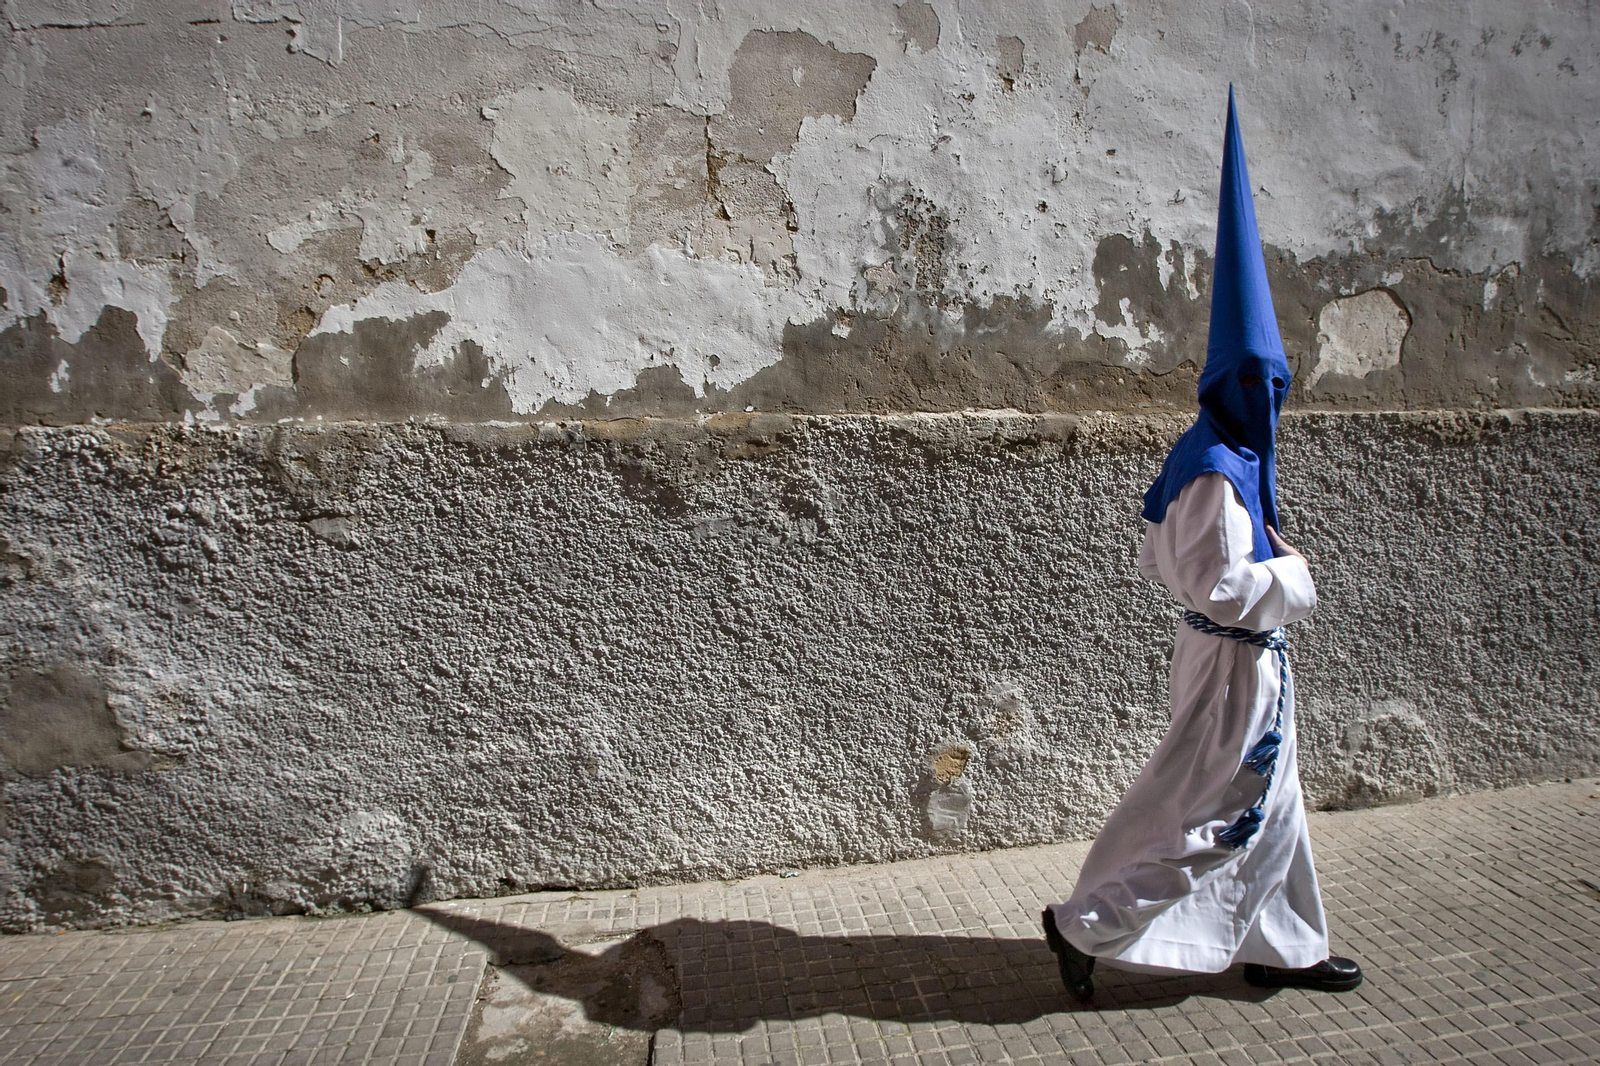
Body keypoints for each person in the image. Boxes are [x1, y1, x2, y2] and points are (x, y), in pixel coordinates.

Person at [1042, 87, 1361, 1000]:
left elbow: (1165, 557)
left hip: (1233, 656)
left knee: (1276, 805)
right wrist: (1293, 574)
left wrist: (1266, 577)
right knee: (1218, 812)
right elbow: (1221, 584)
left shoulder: (1211, 455)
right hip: (1234, 660)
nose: (1274, 395)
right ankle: (1086, 927)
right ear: (1239, 383)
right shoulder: (1222, 467)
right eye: (1264, 380)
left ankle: (1284, 944)